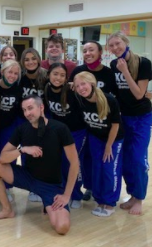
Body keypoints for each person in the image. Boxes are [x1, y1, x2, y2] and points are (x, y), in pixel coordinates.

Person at [0, 95, 79, 236]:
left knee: (62, 228)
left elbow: (75, 163)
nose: (27, 113)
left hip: (50, 186)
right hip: (27, 178)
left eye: (30, 108)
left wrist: (66, 195)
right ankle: (7, 210)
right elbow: (3, 158)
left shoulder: (60, 128)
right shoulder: (22, 129)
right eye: (24, 110)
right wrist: (22, 149)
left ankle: (47, 205)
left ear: (41, 108)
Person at [107, 31, 152, 216]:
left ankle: (139, 198)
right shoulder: (113, 64)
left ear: (126, 42)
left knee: (138, 159)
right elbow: (115, 93)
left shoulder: (143, 63)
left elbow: (139, 94)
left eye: (118, 43)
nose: (115, 48)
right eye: (111, 45)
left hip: (141, 117)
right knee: (126, 159)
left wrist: (125, 71)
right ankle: (132, 195)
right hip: (123, 117)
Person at [69, 41, 117, 202]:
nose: (88, 53)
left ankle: (100, 192)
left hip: (103, 124)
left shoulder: (109, 73)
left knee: (103, 162)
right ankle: (88, 187)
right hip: (84, 124)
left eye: (91, 50)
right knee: (86, 159)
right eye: (85, 51)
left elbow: (116, 98)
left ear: (100, 52)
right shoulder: (78, 71)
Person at [73, 71, 124, 217]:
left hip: (113, 139)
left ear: (92, 83)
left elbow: (115, 125)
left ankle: (110, 202)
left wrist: (109, 146)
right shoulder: (80, 99)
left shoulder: (108, 100)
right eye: (77, 86)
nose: (81, 88)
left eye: (83, 84)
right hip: (95, 137)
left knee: (109, 168)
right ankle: (99, 200)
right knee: (97, 168)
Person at [44, 63, 85, 208]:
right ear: (49, 74)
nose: (58, 78)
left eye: (62, 75)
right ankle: (62, 191)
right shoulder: (46, 89)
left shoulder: (72, 91)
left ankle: (76, 195)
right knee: (59, 163)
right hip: (58, 133)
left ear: (67, 78)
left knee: (73, 163)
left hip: (76, 132)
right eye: (55, 74)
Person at [0, 59, 22, 202]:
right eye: (10, 72)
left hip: (10, 125)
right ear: (2, 72)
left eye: (16, 73)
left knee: (8, 157)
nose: (12, 76)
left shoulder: (18, 88)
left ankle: (8, 187)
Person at [19, 47, 48, 202]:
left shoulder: (46, 77)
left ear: (38, 59)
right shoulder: (20, 78)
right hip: (26, 121)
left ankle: (43, 186)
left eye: (33, 58)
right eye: (26, 59)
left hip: (44, 120)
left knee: (44, 154)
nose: (30, 62)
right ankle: (31, 187)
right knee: (28, 155)